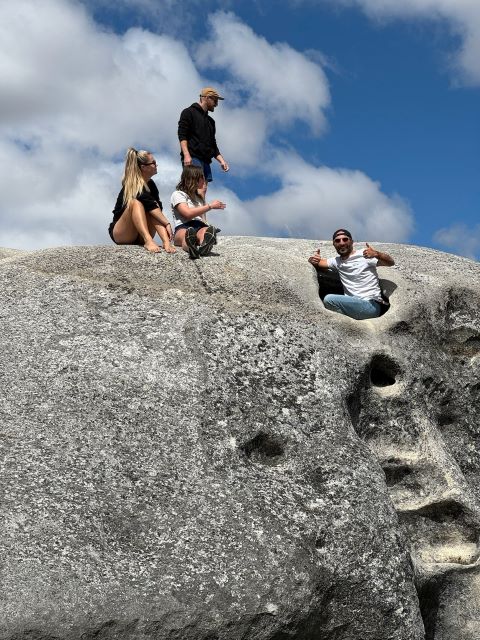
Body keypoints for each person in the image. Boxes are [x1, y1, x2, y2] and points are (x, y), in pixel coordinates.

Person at [308, 228, 395, 320]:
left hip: (371, 305)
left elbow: (391, 263)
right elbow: (319, 263)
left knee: (329, 300)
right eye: (337, 241)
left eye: (345, 239)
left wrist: (377, 254)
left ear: (352, 241)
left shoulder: (364, 255)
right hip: (353, 305)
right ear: (334, 244)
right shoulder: (336, 261)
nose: (342, 243)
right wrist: (312, 260)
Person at [109, 148, 175, 254]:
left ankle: (166, 242)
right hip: (123, 233)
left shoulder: (151, 185)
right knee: (135, 203)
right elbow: (150, 205)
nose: (156, 165)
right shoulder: (132, 185)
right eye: (153, 163)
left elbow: (156, 209)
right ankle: (148, 240)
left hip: (139, 235)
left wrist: (166, 240)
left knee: (154, 206)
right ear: (143, 167)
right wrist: (167, 223)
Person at [171, 165, 226, 259]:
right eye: (202, 177)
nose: (204, 180)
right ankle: (190, 246)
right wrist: (210, 206)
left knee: (204, 231)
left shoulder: (199, 198)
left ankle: (204, 244)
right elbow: (187, 213)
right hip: (184, 225)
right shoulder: (178, 194)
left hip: (199, 225)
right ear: (194, 179)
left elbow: (201, 217)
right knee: (186, 234)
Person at [177, 87, 229, 182]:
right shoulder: (188, 112)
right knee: (195, 187)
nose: (216, 104)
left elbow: (213, 144)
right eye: (215, 100)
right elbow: (182, 134)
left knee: (203, 190)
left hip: (206, 161)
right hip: (192, 158)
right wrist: (186, 155)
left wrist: (222, 161)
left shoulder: (211, 122)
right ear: (207, 98)